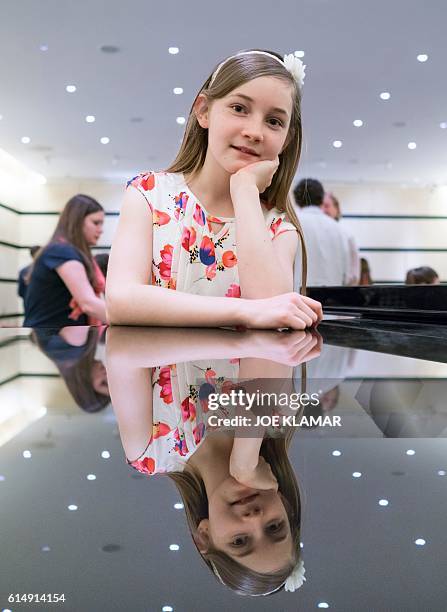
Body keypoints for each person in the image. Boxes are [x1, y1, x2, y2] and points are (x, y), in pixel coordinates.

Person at [106, 49, 322, 330]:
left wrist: (244, 190)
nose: (255, 131)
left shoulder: (279, 228)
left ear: (286, 139)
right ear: (204, 111)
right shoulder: (148, 195)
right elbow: (121, 301)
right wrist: (243, 312)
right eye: (239, 108)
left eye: (274, 121)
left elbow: (274, 311)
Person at [106, 327, 321, 596]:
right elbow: (273, 332)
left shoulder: (150, 451)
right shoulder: (279, 416)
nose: (254, 519)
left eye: (240, 540)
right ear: (286, 507)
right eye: (274, 526)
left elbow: (120, 348)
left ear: (204, 536)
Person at [23, 195, 107, 327]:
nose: (101, 230)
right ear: (77, 221)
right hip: (51, 338)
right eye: (96, 223)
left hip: (59, 338)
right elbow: (88, 304)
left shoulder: (66, 251)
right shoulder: (61, 251)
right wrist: (129, 320)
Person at [293, 179, 349, 287]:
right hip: (334, 297)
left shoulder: (292, 223)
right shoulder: (339, 229)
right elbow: (350, 275)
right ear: (322, 198)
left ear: (296, 199)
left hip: (300, 297)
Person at [322, 192, 360, 285]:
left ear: (337, 209)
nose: (323, 210)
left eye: (326, 206)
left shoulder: (347, 235)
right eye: (321, 206)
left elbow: (354, 274)